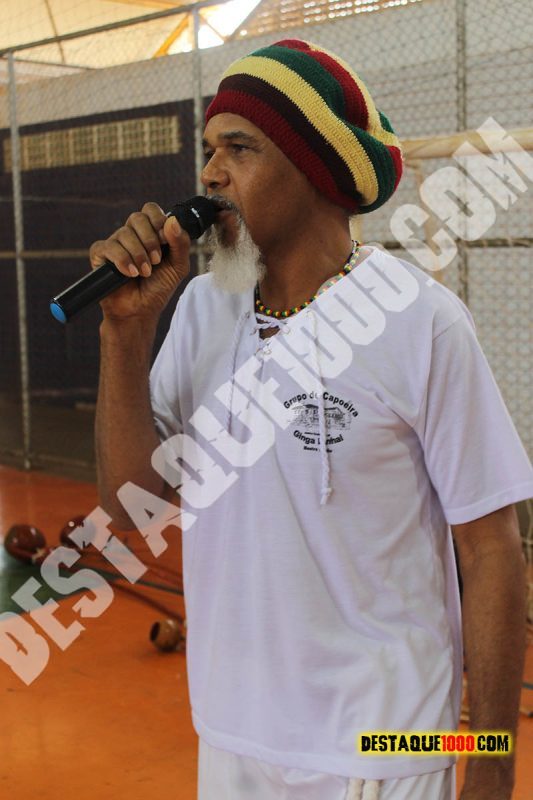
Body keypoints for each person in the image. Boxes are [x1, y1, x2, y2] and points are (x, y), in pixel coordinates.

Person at [91, 39, 533, 800]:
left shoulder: (421, 322)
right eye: (208, 149)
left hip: (383, 744)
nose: (210, 173)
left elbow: (491, 548)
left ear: (315, 170)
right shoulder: (200, 309)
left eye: (239, 148)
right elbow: (132, 508)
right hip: (234, 730)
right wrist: (124, 336)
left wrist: (491, 761)